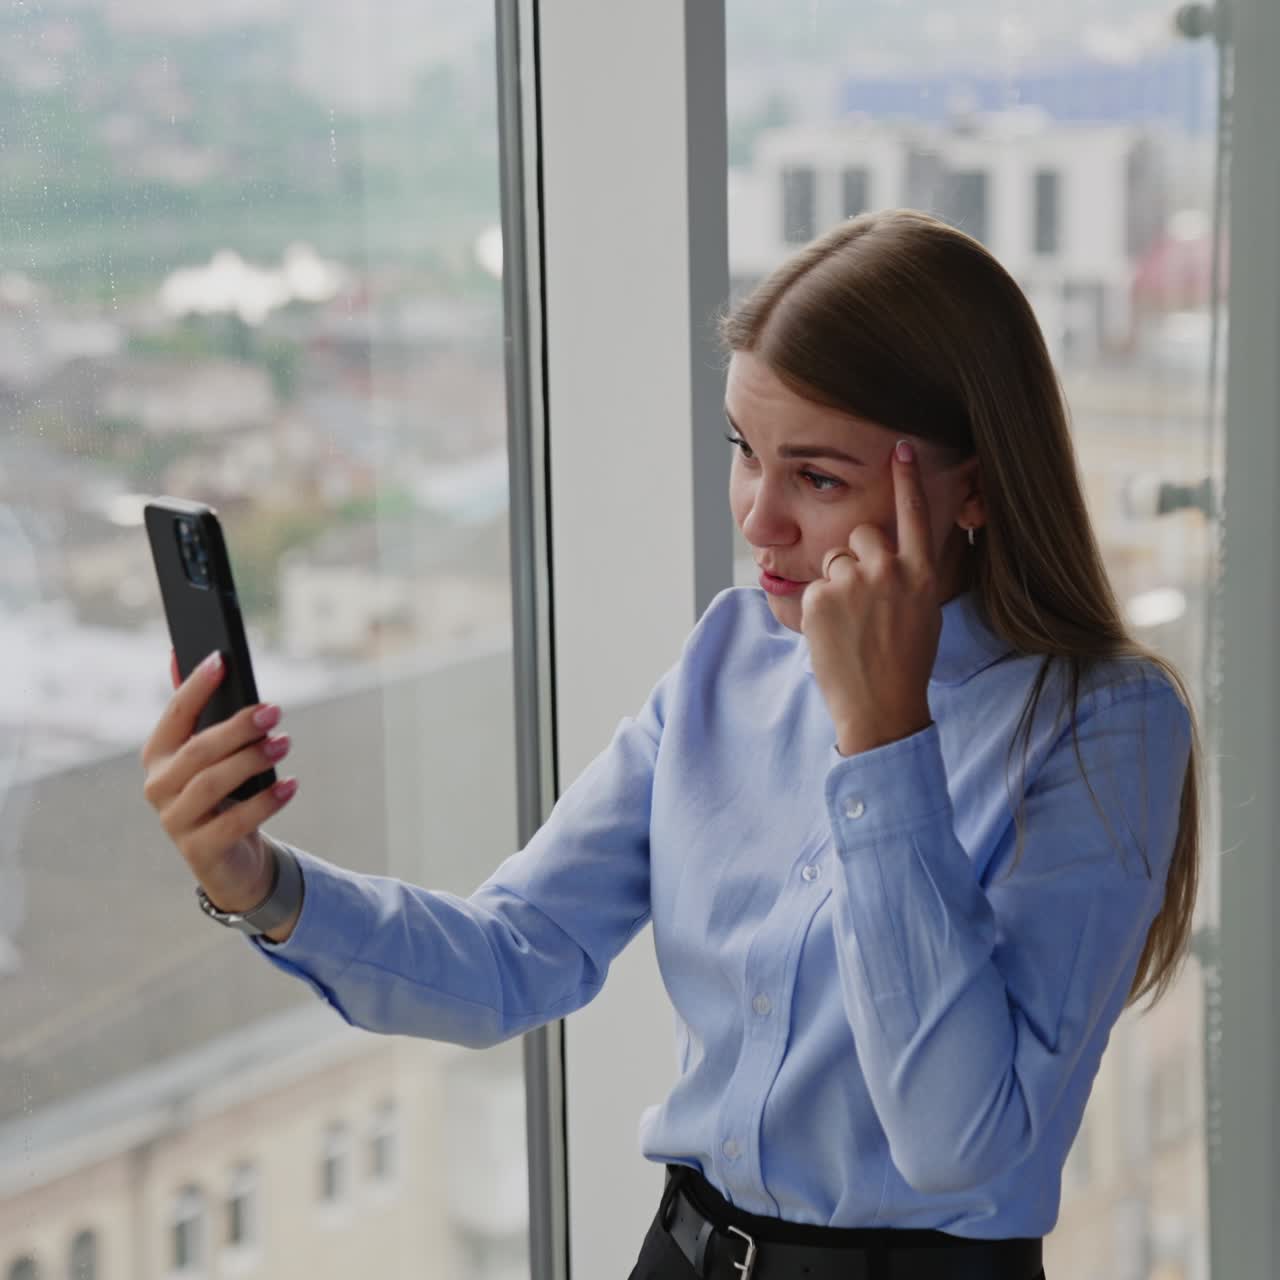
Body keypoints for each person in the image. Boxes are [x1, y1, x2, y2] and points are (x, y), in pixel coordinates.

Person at [141, 209, 1200, 1280]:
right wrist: (259, 885)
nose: (758, 519)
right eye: (746, 451)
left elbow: (955, 1145)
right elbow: (514, 955)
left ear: (971, 484)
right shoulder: (727, 659)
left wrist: (884, 740)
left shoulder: (1103, 724)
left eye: (817, 478)